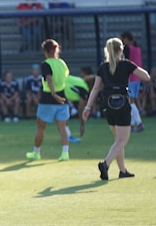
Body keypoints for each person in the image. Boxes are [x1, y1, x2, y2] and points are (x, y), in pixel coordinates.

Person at [82, 37, 150, 180]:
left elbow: (95, 88)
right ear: (121, 50)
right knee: (122, 140)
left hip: (108, 105)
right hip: (122, 105)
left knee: (118, 139)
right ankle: (105, 164)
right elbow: (146, 77)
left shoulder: (103, 67)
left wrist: (88, 107)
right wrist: (133, 66)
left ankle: (123, 170)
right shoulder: (125, 64)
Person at [26, 39, 70, 161]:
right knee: (62, 127)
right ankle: (65, 153)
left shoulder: (46, 64)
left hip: (48, 99)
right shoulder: (62, 63)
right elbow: (65, 77)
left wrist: (53, 93)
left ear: (46, 51)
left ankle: (36, 153)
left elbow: (49, 79)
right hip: (63, 98)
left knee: (41, 127)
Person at [121, 31, 145, 132]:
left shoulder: (127, 48)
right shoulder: (137, 48)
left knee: (129, 102)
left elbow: (124, 61)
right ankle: (132, 124)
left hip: (130, 77)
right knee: (132, 101)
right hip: (137, 77)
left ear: (126, 39)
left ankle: (138, 123)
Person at [64, 75, 89, 143]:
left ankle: (67, 135)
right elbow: (80, 109)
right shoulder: (84, 90)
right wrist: (82, 125)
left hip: (57, 88)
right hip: (58, 90)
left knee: (63, 115)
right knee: (63, 116)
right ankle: (67, 136)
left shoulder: (80, 82)